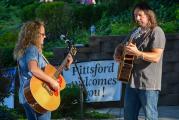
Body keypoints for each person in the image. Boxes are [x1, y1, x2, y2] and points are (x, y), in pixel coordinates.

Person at [113, 2, 166, 120]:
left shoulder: (157, 32)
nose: (137, 18)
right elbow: (122, 46)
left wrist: (138, 53)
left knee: (150, 117)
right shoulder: (135, 32)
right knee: (129, 117)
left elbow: (156, 57)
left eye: (140, 15)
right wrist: (117, 52)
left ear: (148, 15)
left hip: (148, 85)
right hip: (131, 83)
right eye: (135, 15)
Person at [13, 20, 73, 120]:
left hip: (28, 95)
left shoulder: (25, 49)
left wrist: (65, 65)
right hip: (39, 95)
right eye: (42, 34)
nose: (44, 36)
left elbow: (46, 72)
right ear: (34, 34)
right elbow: (34, 69)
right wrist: (52, 82)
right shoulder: (32, 49)